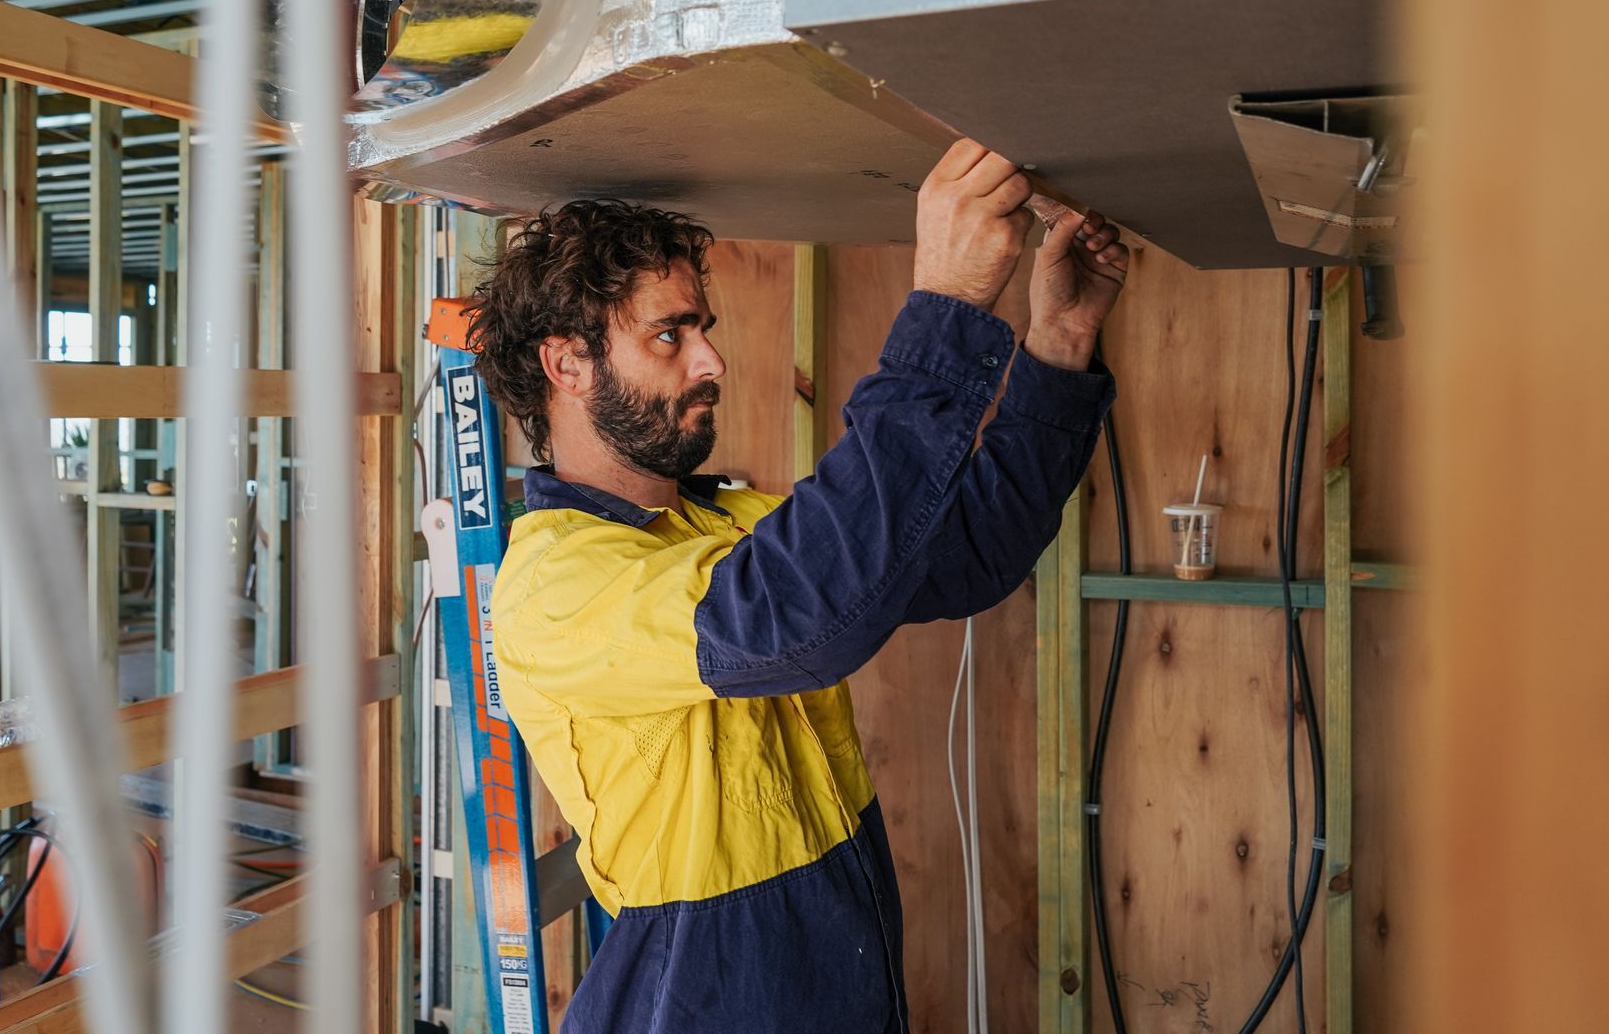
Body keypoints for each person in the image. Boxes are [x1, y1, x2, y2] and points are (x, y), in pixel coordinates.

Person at [467, 139, 1127, 1032]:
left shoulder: (725, 528)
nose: (711, 362)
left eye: (703, 329)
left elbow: (970, 548)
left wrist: (1059, 343)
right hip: (698, 997)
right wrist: (943, 312)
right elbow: (794, 616)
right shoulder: (554, 582)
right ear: (567, 366)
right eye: (671, 334)